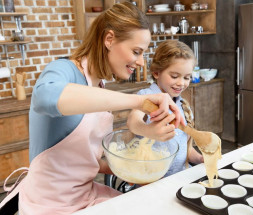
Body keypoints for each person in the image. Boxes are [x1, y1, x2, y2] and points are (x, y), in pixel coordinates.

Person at [0, 3, 184, 215]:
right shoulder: (62, 69)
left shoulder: (99, 86)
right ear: (109, 39)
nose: (141, 62)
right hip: (48, 204)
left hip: (85, 195)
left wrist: (133, 168)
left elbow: (83, 162)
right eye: (136, 51)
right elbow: (44, 97)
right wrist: (138, 102)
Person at [128, 40, 204, 177]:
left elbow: (185, 150)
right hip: (151, 182)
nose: (181, 83)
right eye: (174, 76)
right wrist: (149, 131)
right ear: (156, 73)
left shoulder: (183, 107)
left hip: (179, 179)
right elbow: (133, 122)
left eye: (187, 77)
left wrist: (200, 159)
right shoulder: (146, 96)